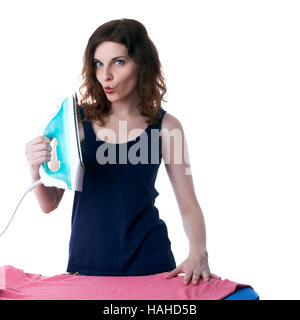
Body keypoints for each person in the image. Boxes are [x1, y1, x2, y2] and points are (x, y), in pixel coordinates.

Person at [24, 18, 258, 300]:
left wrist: (199, 253)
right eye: (98, 63)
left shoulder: (166, 128)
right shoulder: (77, 124)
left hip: (151, 265)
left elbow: (188, 204)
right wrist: (35, 168)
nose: (106, 75)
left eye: (118, 62)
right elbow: (49, 204)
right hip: (86, 267)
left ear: (141, 64)